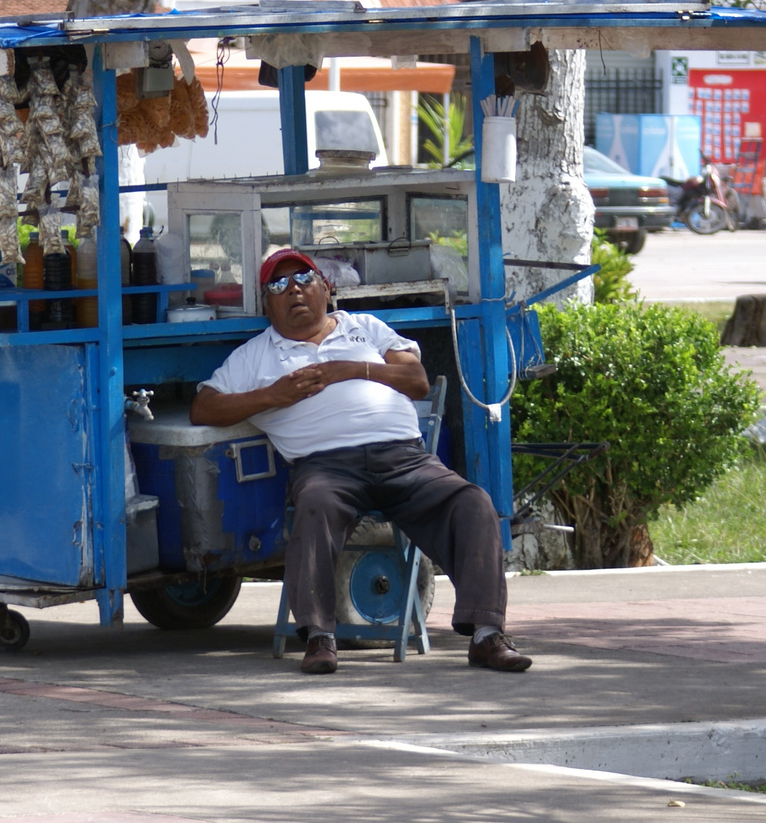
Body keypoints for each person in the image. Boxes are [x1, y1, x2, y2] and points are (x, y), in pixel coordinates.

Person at [190, 249, 531, 676]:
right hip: (326, 467)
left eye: (303, 279)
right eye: (278, 285)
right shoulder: (256, 356)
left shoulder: (362, 327)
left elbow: (416, 380)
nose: (293, 289)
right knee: (313, 505)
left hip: (403, 457)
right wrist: (273, 395)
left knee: (473, 502)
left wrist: (347, 370)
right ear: (266, 303)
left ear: (326, 288)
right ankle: (319, 636)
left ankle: (487, 635)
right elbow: (203, 408)